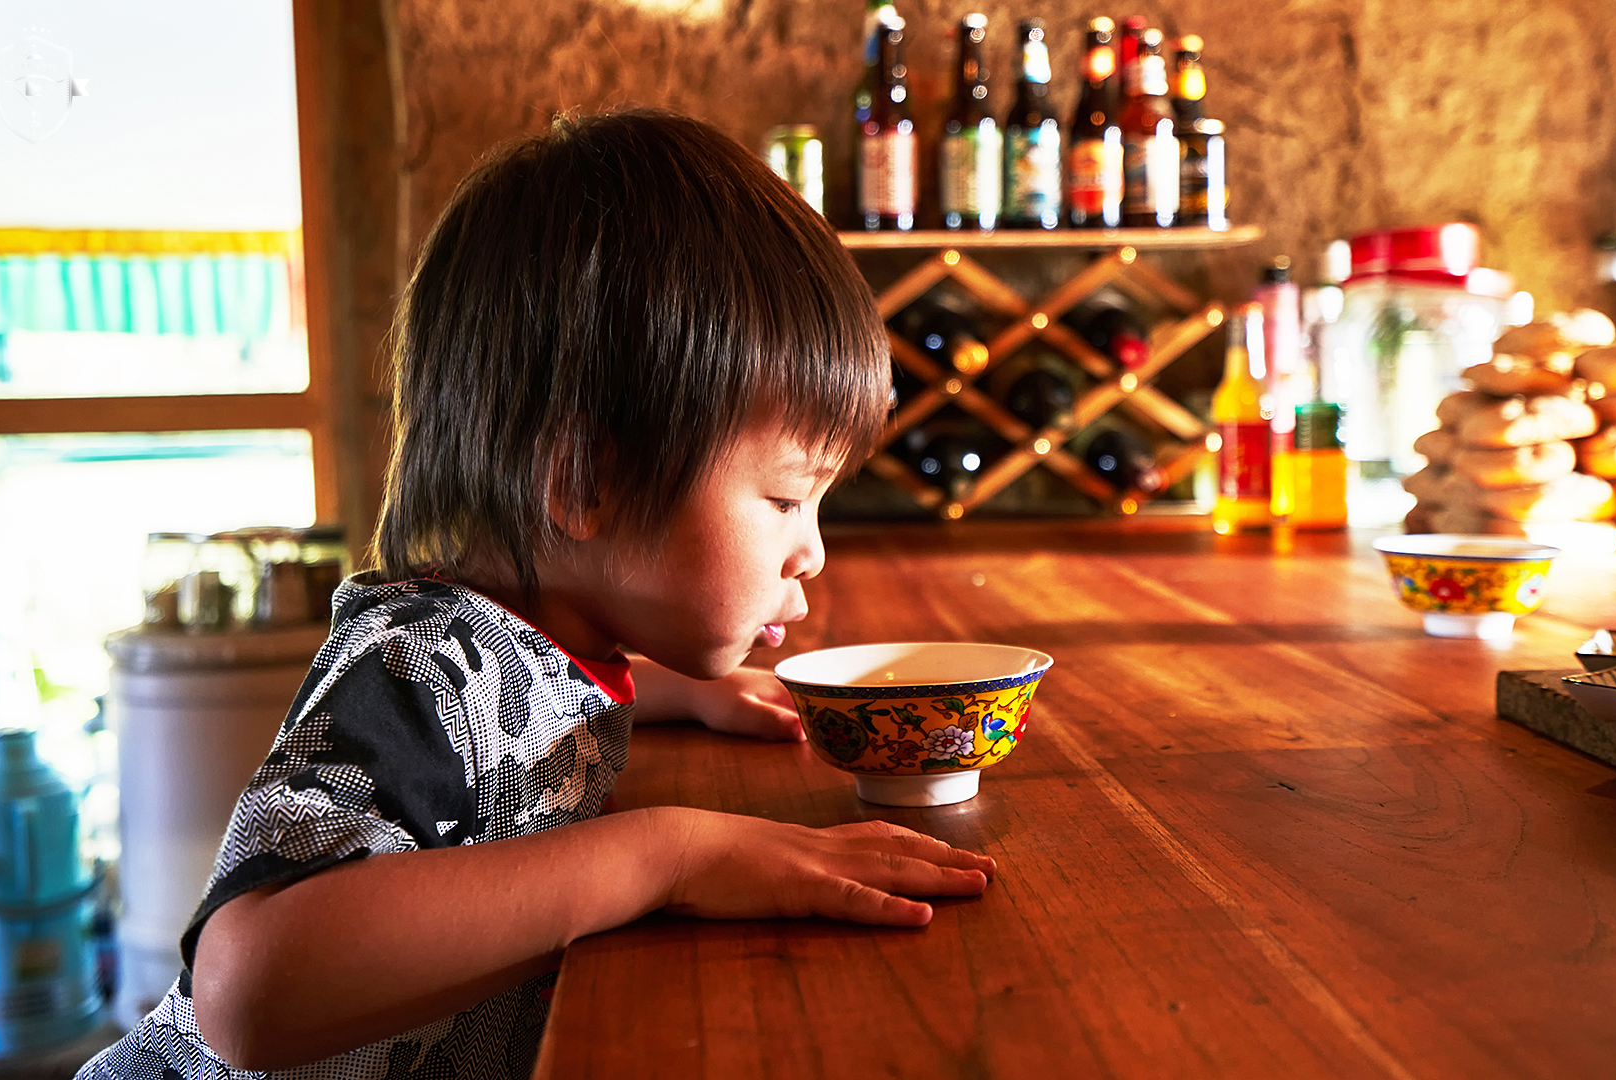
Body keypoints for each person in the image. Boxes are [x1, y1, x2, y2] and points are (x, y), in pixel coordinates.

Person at [81, 109, 996, 1078]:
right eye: (783, 497)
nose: (808, 552)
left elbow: (531, 700)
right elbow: (253, 992)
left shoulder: (530, 643)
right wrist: (669, 858)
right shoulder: (421, 661)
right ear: (581, 483)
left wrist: (682, 688)